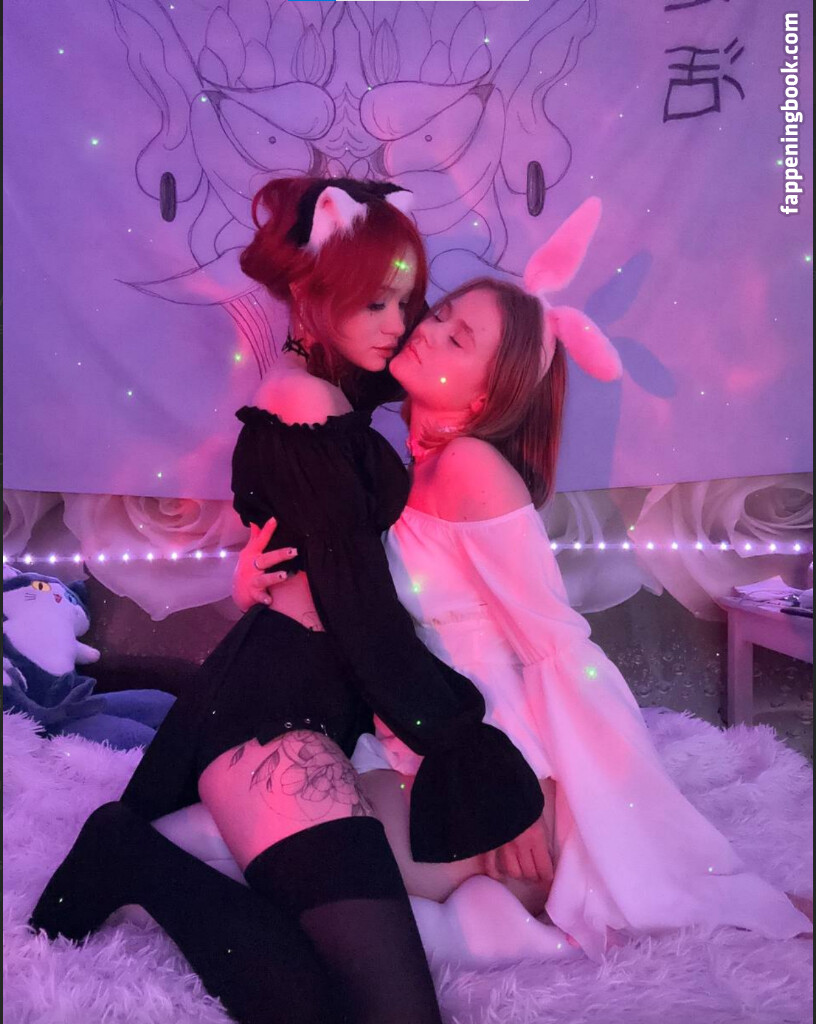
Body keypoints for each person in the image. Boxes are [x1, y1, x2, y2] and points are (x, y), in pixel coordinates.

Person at [29, 177, 547, 1024]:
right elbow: (359, 606)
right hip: (268, 722)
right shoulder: (305, 400)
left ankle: (138, 851)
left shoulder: (332, 387)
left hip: (305, 702)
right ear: (312, 292)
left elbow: (323, 532)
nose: (399, 324)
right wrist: (459, 738)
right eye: (377, 304)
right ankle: (128, 856)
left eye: (406, 303)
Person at [238, 199, 813, 962]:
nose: (422, 329)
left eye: (455, 337)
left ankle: (511, 913)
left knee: (323, 874)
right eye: (437, 315)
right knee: (283, 831)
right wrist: (253, 575)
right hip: (421, 735)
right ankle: (489, 914)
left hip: (495, 749)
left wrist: (534, 790)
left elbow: (555, 648)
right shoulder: (410, 466)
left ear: (485, 397)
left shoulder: (471, 469)